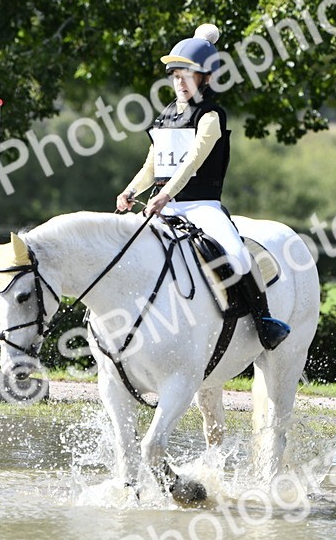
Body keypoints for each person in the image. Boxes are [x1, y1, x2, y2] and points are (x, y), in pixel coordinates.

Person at [115, 24, 290, 351]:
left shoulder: (210, 116)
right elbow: (152, 165)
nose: (179, 82)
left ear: (206, 78)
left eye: (186, 75)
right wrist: (130, 192)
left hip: (201, 206)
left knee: (236, 254)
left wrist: (166, 194)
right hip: (161, 205)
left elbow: (192, 162)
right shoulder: (165, 116)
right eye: (175, 75)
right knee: (124, 251)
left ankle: (263, 320)